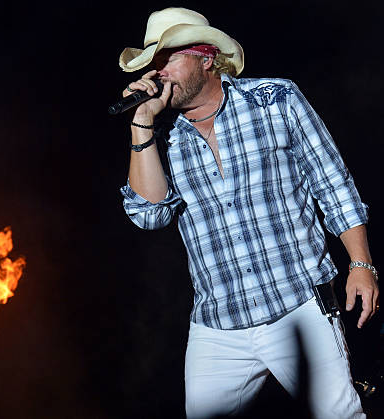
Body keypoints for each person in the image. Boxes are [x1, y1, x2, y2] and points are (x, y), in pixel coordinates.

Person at [117, 7, 379, 418]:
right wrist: (141, 125)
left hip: (298, 306)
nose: (159, 72)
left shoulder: (276, 99)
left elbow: (333, 182)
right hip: (218, 325)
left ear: (206, 57)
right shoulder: (160, 136)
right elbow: (150, 215)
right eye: (154, 63)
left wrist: (361, 263)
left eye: (169, 58)